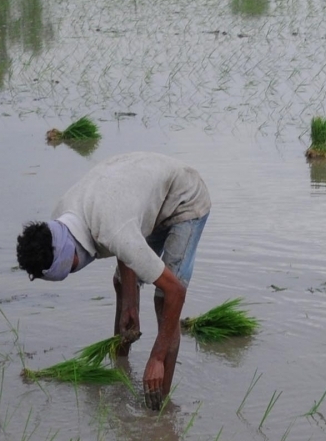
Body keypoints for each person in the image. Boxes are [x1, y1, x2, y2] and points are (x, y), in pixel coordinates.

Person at [15, 151, 211, 405]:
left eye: (71, 270)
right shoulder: (61, 219)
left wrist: (156, 357)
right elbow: (122, 236)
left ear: (70, 260)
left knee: (165, 301)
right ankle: (121, 375)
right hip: (137, 198)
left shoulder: (112, 230)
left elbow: (176, 292)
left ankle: (158, 406)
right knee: (122, 283)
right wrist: (130, 301)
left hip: (184, 198)